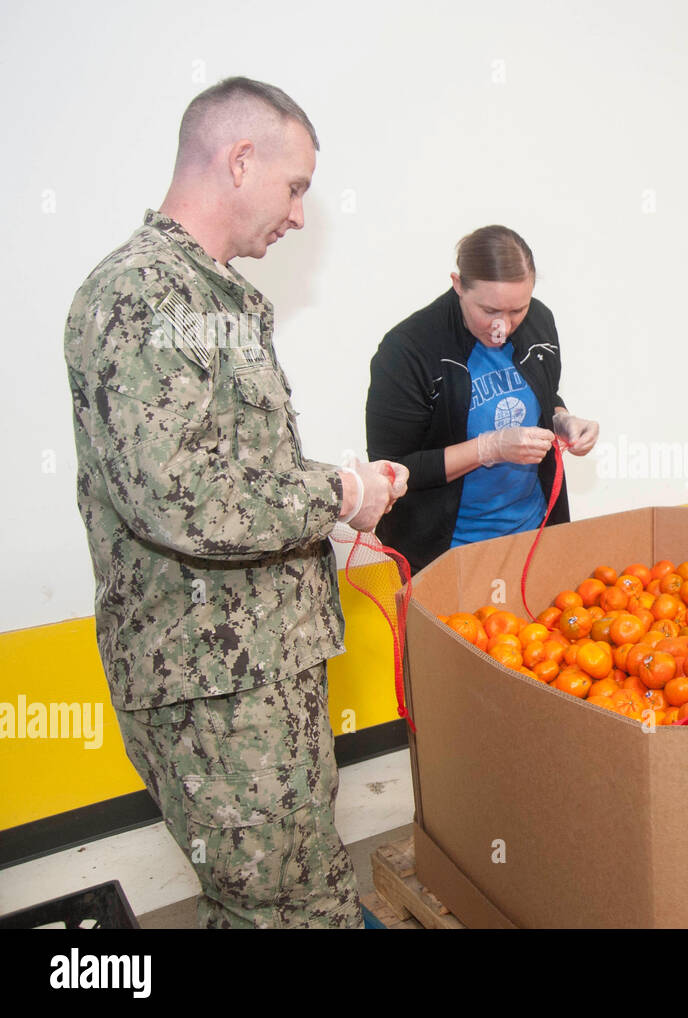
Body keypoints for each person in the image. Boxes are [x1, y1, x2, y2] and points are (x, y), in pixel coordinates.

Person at [64, 77, 409, 929]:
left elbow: (232, 468)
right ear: (240, 160)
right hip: (212, 684)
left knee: (299, 884)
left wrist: (342, 491)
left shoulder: (211, 295)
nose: (298, 215)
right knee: (274, 905)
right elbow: (178, 500)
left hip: (259, 667)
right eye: (295, 188)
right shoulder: (145, 296)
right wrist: (339, 490)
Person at [366, 226, 599, 573]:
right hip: (446, 553)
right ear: (458, 284)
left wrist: (562, 418)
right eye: (489, 311)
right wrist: (487, 449)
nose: (502, 327)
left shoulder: (539, 322)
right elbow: (390, 469)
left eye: (517, 310)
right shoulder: (408, 350)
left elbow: (542, 394)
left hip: (532, 534)